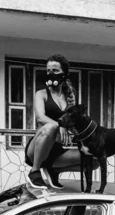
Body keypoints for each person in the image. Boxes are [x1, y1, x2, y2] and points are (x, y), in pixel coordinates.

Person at [25, 54, 83, 189]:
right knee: (50, 127)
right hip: (38, 150)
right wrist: (59, 125)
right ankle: (34, 171)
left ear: (65, 73)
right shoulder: (41, 94)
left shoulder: (70, 96)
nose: (51, 74)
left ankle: (55, 170)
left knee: (94, 160)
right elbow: (40, 117)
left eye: (55, 71)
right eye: (48, 71)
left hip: (58, 151)